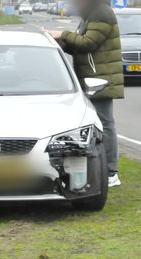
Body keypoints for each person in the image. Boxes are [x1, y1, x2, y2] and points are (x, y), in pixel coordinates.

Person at [50, 0, 124, 187]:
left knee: (105, 124)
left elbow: (89, 43)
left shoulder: (101, 12)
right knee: (93, 124)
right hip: (90, 77)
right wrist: (63, 42)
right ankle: (96, 167)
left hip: (99, 78)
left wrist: (63, 34)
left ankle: (110, 172)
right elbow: (79, 47)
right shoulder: (90, 14)